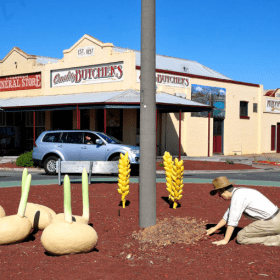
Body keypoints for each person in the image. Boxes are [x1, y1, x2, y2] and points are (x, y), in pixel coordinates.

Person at [206, 176, 280, 246]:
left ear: (223, 190)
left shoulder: (237, 196)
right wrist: (214, 228)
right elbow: (227, 216)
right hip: (276, 218)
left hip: (272, 222)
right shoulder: (239, 192)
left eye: (218, 192)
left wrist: (225, 240)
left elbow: (232, 221)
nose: (219, 196)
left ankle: (277, 239)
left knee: (241, 237)